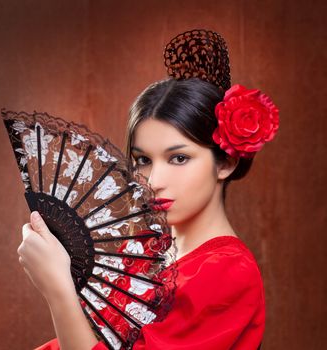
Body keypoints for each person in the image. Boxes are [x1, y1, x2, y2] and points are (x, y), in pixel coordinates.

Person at [18, 29, 279, 350]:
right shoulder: (148, 257)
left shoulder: (227, 272)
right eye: (142, 160)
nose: (153, 180)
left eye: (178, 157)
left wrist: (58, 289)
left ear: (225, 162)